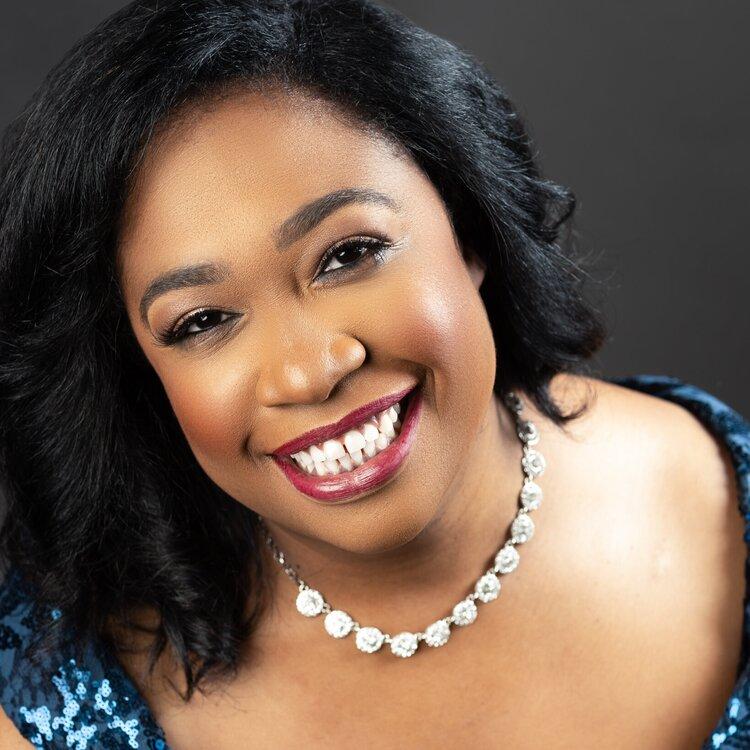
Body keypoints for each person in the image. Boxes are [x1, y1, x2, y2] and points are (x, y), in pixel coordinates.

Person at [0, 0, 747, 747]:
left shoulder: (721, 498)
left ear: (468, 225)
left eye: (348, 254)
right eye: (202, 321)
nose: (307, 373)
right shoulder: (48, 693)